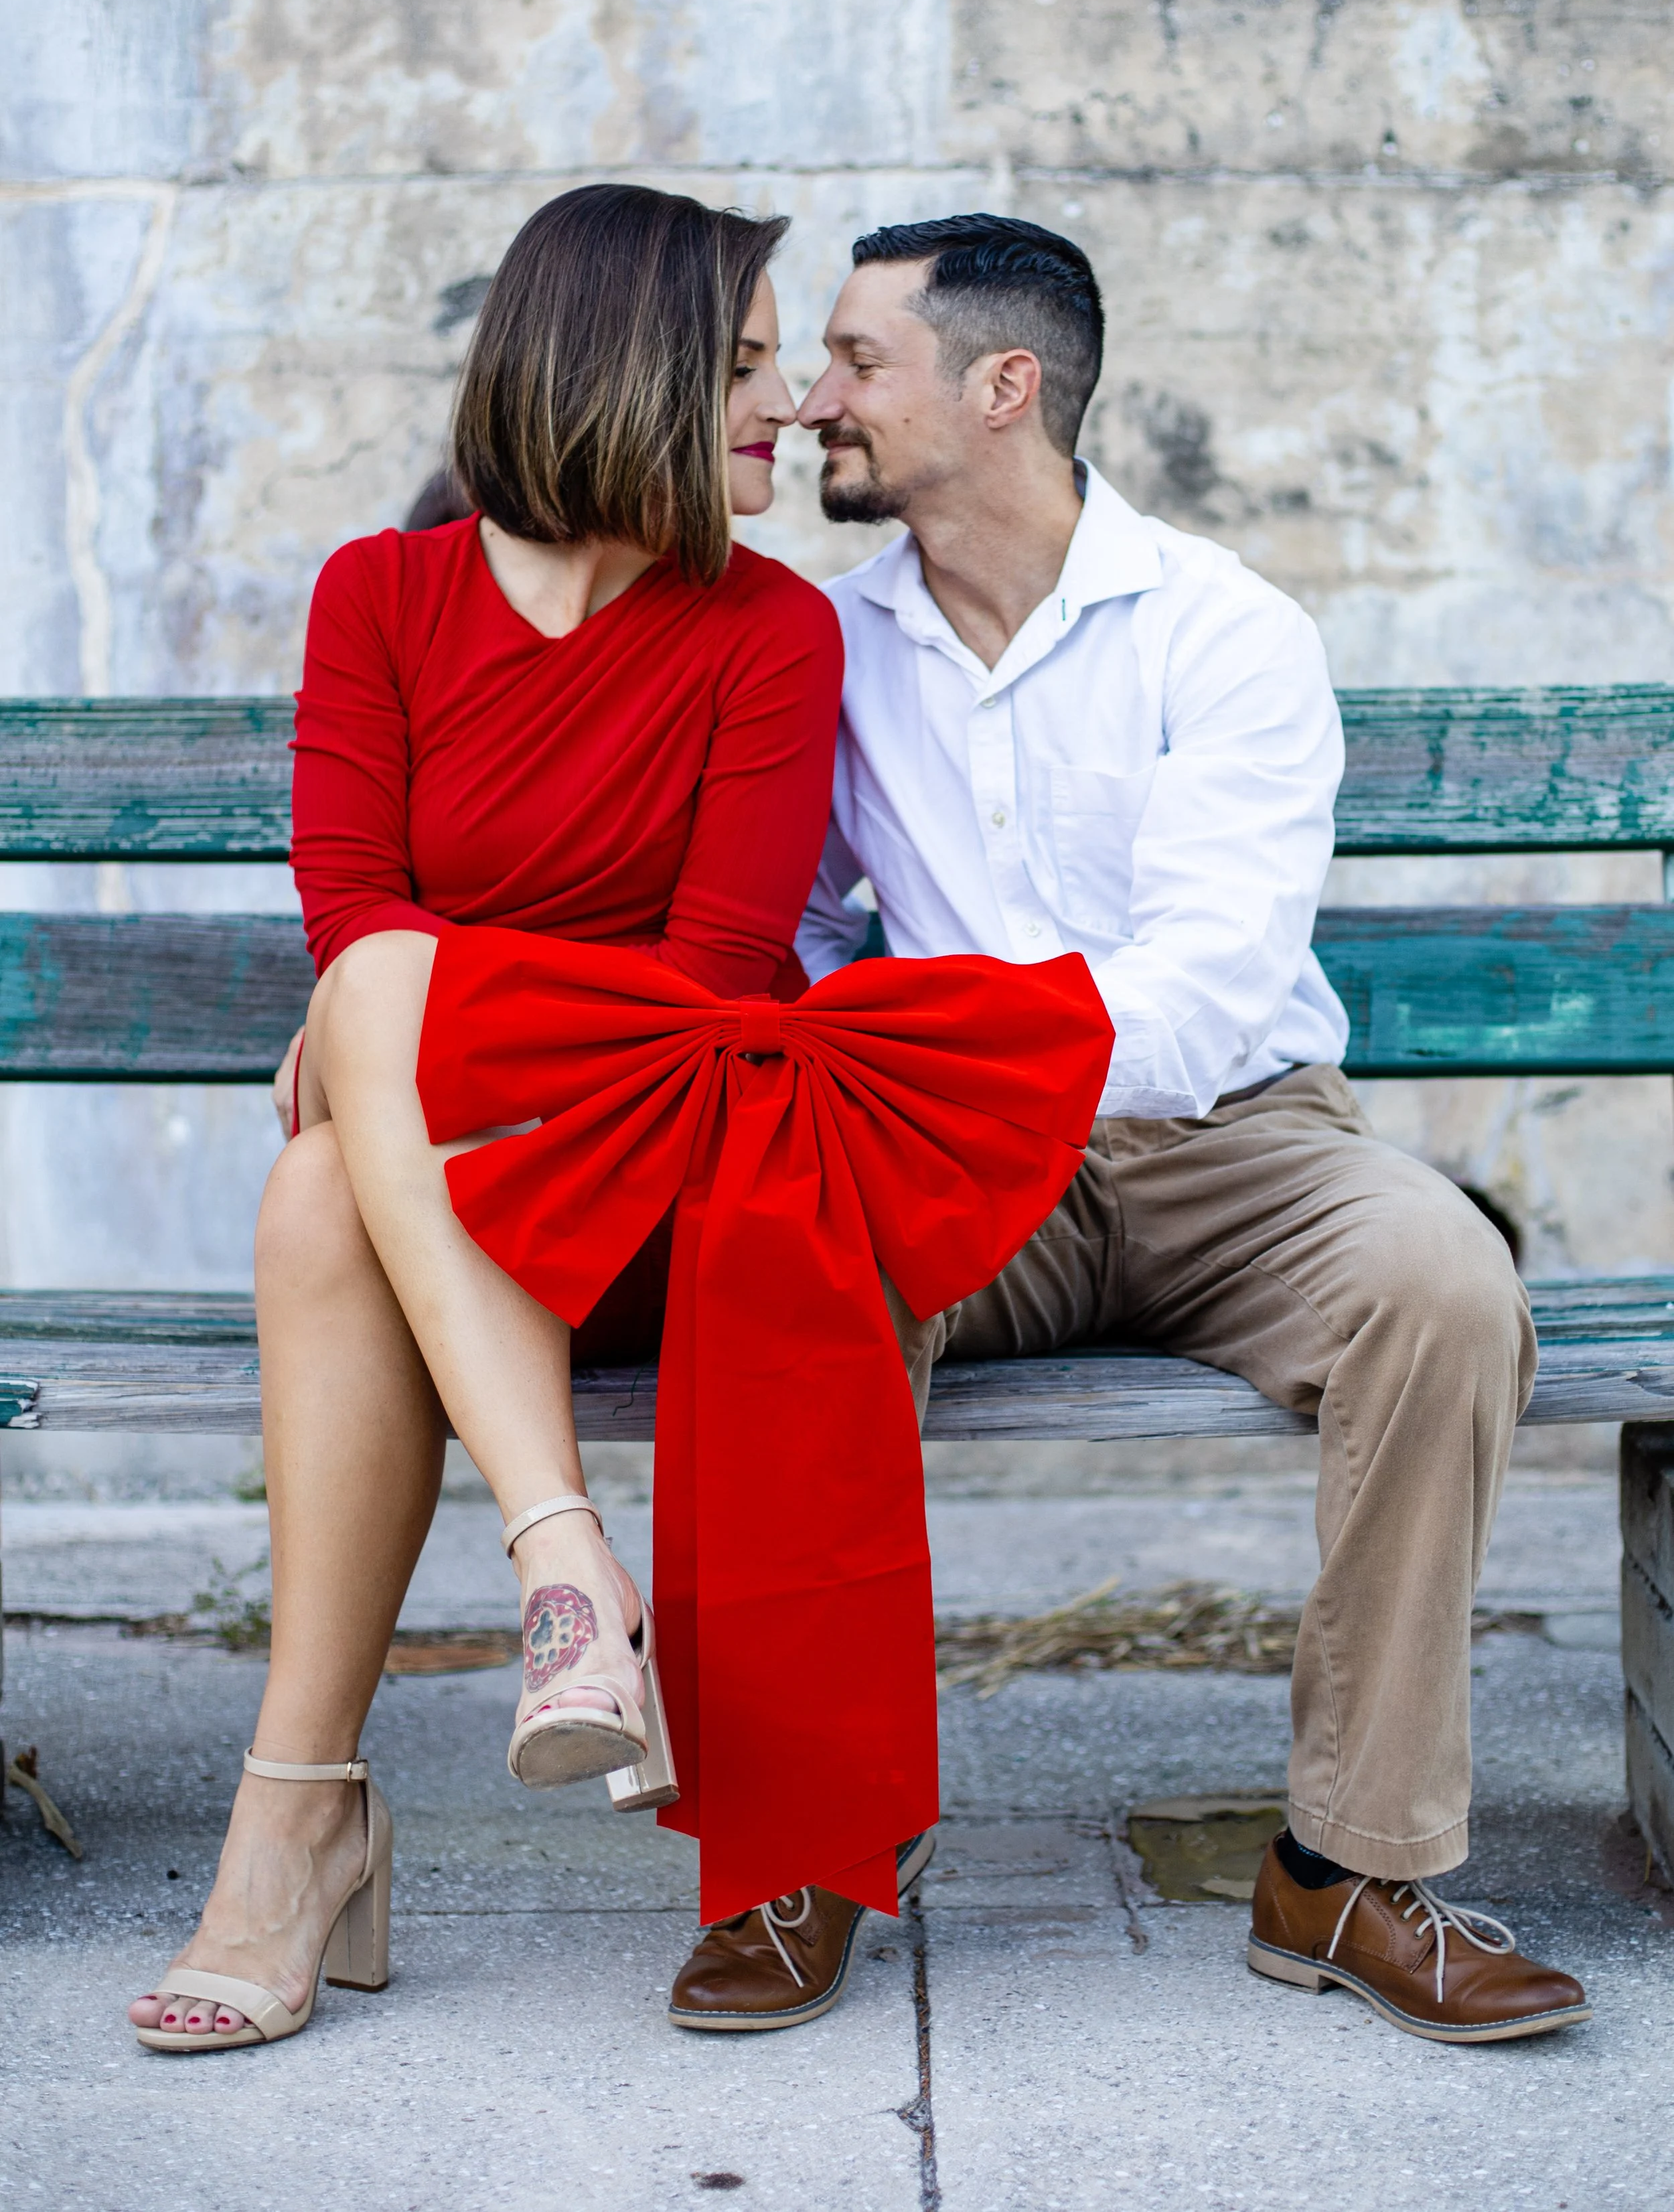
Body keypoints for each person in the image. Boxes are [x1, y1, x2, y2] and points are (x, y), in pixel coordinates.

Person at [666, 213, 1592, 2046]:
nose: (810, 401)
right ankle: (807, 1845)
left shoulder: (1221, 631)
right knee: (778, 1263)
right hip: (952, 1154)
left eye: (858, 362)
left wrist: (914, 1025)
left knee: (1441, 1284)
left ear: (1001, 389)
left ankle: (1348, 1869)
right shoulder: (819, 641)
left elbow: (1197, 996)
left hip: (1236, 1147)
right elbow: (795, 924)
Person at [129, 182, 844, 2050]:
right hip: (445, 1193)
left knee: (358, 1073)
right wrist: (403, 1003)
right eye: (749, 367)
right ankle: (555, 1579)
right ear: (631, 374)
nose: (791, 408)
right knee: (321, 1179)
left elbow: (715, 982)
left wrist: (419, 1010)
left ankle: (305, 1832)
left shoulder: (768, 634)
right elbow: (350, 894)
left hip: (660, 1193)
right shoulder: (383, 594)